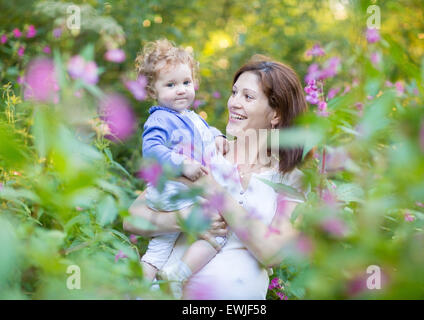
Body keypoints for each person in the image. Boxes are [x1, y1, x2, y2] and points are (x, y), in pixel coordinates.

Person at [125, 55, 310, 299]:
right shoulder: (203, 153)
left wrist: (214, 190)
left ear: (275, 114)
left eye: (248, 96)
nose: (234, 103)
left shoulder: (290, 180)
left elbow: (272, 252)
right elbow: (132, 218)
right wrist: (183, 218)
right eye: (234, 93)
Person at [134, 39, 229, 298]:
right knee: (218, 230)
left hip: (175, 191)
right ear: (153, 90)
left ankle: (140, 290)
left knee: (159, 247)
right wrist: (181, 163)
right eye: (171, 85)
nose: (181, 90)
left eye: (186, 83)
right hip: (173, 188)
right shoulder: (160, 118)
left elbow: (203, 132)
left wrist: (218, 136)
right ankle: (178, 277)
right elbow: (152, 150)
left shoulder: (188, 116)